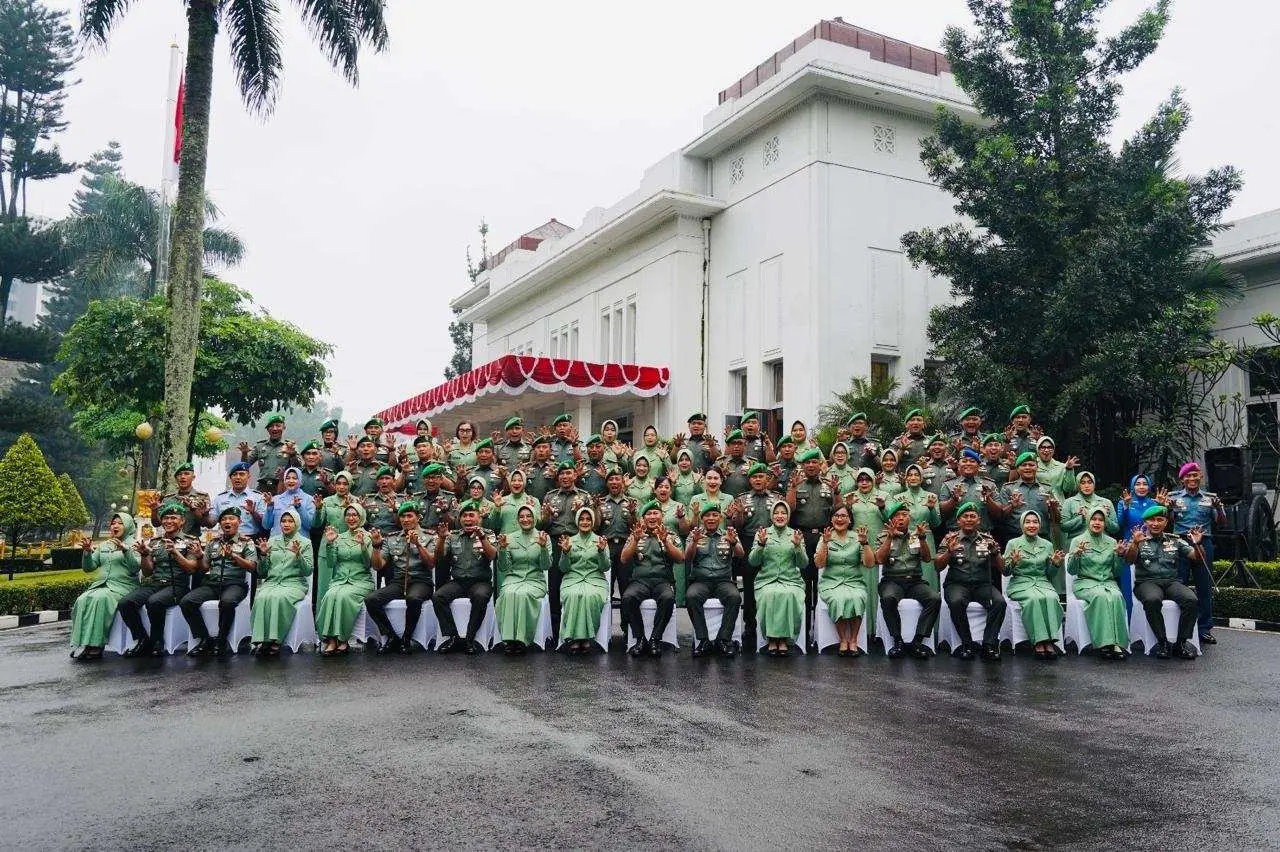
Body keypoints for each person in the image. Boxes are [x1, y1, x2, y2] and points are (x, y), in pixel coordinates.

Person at [117, 503, 201, 657]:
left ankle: (157, 641)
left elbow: (192, 568)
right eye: (166, 518)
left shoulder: (191, 541)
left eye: (173, 518)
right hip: (155, 583)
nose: (169, 521)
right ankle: (142, 639)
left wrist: (176, 553)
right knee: (125, 603)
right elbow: (148, 572)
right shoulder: (154, 542)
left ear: (182, 521)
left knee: (154, 602)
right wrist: (144, 555)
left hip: (177, 586)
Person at [1124, 504, 1204, 660]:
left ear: (1165, 522)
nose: (1155, 523)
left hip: (1171, 582)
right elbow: (1129, 560)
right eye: (1151, 520)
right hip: (1146, 582)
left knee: (1191, 600)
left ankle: (1181, 643)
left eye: (1159, 520)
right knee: (1153, 600)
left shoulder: (1174, 540)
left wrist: (1197, 543)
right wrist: (1134, 543)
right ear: (1145, 522)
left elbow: (1197, 557)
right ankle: (1162, 642)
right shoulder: (1138, 538)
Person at [181, 507, 256, 656]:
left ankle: (221, 640)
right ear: (220, 524)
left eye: (231, 519)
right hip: (212, 583)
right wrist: (200, 556)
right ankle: (205, 639)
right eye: (224, 520)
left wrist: (234, 556)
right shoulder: (213, 543)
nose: (227, 522)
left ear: (239, 522)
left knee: (227, 602)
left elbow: (252, 566)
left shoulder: (247, 542)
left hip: (234, 584)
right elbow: (205, 567)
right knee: (187, 601)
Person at [935, 503, 1005, 661]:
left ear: (979, 520)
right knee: (957, 601)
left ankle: (988, 645)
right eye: (965, 516)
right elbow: (938, 566)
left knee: (999, 602)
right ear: (958, 521)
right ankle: (966, 644)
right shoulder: (950, 539)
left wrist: (996, 554)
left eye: (972, 516)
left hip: (982, 584)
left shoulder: (987, 539)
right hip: (957, 584)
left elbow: (1003, 569)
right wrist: (949, 552)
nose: (969, 519)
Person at [69, 512, 141, 661]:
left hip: (123, 587)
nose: (115, 525)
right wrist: (87, 552)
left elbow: (135, 568)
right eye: (113, 523)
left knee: (99, 599)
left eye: (120, 523)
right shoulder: (104, 545)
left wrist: (125, 550)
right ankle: (83, 644)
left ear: (127, 526)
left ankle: (96, 646)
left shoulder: (134, 545)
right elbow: (89, 568)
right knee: (82, 599)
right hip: (102, 586)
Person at [365, 503, 436, 654]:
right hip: (398, 582)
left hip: (421, 581)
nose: (405, 519)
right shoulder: (391, 538)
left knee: (413, 598)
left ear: (418, 518)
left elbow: (431, 564)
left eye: (409, 516)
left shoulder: (429, 536)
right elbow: (378, 566)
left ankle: (406, 638)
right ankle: (391, 636)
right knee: (371, 599)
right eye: (402, 516)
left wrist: (418, 545)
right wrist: (376, 547)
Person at [1168, 461, 1226, 644]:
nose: (1192, 479)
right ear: (1182, 479)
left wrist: (1218, 507)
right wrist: (1167, 507)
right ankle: (1177, 626)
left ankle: (1204, 629)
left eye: (1195, 475)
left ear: (1201, 477)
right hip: (1180, 542)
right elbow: (1165, 522)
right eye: (1188, 476)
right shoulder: (1173, 497)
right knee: (1179, 585)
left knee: (1204, 587)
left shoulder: (1211, 498)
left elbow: (1222, 523)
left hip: (1203, 542)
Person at [875, 502, 939, 659]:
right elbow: (879, 560)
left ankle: (918, 641)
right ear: (891, 519)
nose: (901, 518)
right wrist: (889, 538)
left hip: (915, 581)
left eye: (904, 515)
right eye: (897, 516)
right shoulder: (883, 536)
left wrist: (923, 539)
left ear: (909, 518)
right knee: (888, 598)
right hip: (892, 580)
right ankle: (898, 641)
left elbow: (926, 559)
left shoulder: (918, 535)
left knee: (934, 598)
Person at [620, 500, 684, 657]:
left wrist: (666, 542)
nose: (652, 516)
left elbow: (680, 558)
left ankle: (655, 638)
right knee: (628, 597)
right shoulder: (636, 534)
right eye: (648, 514)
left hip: (663, 581)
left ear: (662, 516)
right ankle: (640, 639)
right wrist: (635, 540)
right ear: (643, 518)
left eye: (656, 513)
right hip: (640, 581)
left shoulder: (670, 535)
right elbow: (623, 559)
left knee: (668, 598)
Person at [433, 502, 498, 654]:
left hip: (480, 581)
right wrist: (441, 539)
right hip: (458, 581)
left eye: (471, 515)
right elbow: (438, 557)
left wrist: (482, 538)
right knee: (438, 597)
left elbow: (493, 555)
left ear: (479, 518)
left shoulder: (488, 534)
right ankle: (454, 637)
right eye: (464, 515)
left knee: (480, 596)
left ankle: (470, 638)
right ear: (460, 518)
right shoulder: (453, 536)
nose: (467, 519)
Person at [787, 448, 837, 648]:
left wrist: (837, 492)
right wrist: (792, 488)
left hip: (824, 538)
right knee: (806, 586)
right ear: (803, 466)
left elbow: (838, 509)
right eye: (806, 463)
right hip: (803, 536)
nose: (810, 466)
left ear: (819, 465)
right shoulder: (797, 486)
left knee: (822, 583)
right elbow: (789, 510)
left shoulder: (828, 485)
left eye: (814, 462)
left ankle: (820, 631)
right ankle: (806, 632)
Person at [1067, 508, 1130, 660]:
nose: (1097, 522)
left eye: (1100, 520)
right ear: (1088, 520)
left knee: (1116, 596)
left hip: (1108, 582)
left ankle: (1118, 643)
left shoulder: (1112, 542)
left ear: (1105, 523)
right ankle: (1104, 644)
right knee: (1100, 597)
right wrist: (1076, 555)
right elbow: (1071, 570)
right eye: (1093, 519)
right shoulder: (1077, 540)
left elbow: (1117, 572)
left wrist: (1119, 556)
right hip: (1085, 582)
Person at [249, 508, 313, 657]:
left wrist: (298, 555)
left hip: (295, 583)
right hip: (272, 583)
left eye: (290, 521)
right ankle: (262, 639)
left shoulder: (305, 543)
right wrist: (263, 555)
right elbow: (263, 572)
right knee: (261, 597)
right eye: (283, 521)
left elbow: (308, 571)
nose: (286, 524)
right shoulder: (272, 541)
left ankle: (276, 640)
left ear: (296, 523)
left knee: (279, 598)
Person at [1003, 510, 1065, 660]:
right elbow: (1005, 571)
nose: (1032, 525)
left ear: (1040, 525)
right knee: (1033, 599)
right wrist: (1013, 562)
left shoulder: (1047, 545)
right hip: (1020, 583)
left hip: (1042, 583)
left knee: (1052, 598)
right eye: (1028, 522)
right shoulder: (1013, 543)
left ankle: (1050, 640)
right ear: (1022, 525)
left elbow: (1049, 574)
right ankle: (1039, 641)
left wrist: (1055, 565)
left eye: (1035, 522)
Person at [316, 503, 375, 656]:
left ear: (361, 517)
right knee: (330, 595)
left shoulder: (368, 537)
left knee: (343, 596)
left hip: (360, 580)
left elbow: (369, 564)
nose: (351, 518)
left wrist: (363, 546)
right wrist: (329, 544)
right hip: (340, 580)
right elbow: (331, 563)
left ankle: (343, 639)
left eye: (355, 515)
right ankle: (330, 639)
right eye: (348, 515)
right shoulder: (339, 537)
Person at [684, 506, 743, 658]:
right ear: (702, 519)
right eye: (707, 515)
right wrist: (694, 543)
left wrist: (734, 542)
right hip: (701, 581)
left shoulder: (729, 534)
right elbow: (687, 557)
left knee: (734, 597)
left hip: (723, 580)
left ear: (720, 518)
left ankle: (723, 640)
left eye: (715, 515)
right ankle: (703, 640)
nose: (711, 518)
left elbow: (741, 554)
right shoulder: (694, 534)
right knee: (691, 596)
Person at [749, 500, 807, 656]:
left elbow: (803, 564)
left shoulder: (795, 534)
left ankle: (784, 639)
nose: (779, 516)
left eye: (783, 513)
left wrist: (797, 547)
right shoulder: (762, 534)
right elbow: (753, 561)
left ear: (788, 516)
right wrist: (760, 545)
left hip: (791, 580)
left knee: (789, 595)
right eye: (776, 513)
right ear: (771, 515)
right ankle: (772, 639)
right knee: (769, 594)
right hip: (766, 580)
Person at [816, 505, 872, 657]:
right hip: (831, 582)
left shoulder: (857, 537)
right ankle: (843, 639)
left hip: (854, 581)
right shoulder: (826, 536)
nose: (839, 519)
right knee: (838, 598)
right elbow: (819, 564)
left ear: (849, 520)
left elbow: (869, 564)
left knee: (857, 597)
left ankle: (853, 640)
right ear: (832, 519)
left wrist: (865, 543)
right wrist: (825, 544)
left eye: (843, 516)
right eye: (836, 516)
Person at [494, 506, 551, 654]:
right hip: (513, 579)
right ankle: (508, 639)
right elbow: (503, 568)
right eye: (522, 517)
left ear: (534, 518)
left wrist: (544, 548)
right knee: (508, 593)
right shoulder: (510, 537)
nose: (525, 519)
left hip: (535, 580)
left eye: (529, 516)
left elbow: (546, 566)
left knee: (523, 594)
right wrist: (502, 549)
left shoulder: (543, 536)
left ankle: (522, 639)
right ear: (517, 520)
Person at [558, 506, 611, 654]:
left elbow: (605, 567)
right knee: (573, 595)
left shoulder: (600, 541)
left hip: (595, 580)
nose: (585, 522)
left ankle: (586, 638)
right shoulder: (569, 540)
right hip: (572, 579)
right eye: (581, 519)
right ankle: (574, 638)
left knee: (590, 596)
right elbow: (563, 568)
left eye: (588, 519)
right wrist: (565, 552)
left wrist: (601, 551)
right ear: (577, 521)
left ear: (593, 522)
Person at [1114, 472, 1159, 616]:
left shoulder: (1153, 502)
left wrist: (1161, 506)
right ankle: (1128, 626)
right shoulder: (1124, 501)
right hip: (1130, 546)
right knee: (1128, 585)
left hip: (1150, 546)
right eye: (1138, 484)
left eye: (1145, 484)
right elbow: (1120, 524)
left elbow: (1159, 524)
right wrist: (1126, 507)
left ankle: (1149, 627)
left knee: (1150, 584)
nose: (1141, 487)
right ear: (1133, 486)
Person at [208, 462, 266, 538]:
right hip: (225, 539)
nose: (238, 477)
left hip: (250, 538)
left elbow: (264, 524)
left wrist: (253, 512)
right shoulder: (220, 498)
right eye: (234, 474)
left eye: (242, 474)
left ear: (248, 477)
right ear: (230, 478)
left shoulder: (258, 497)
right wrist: (204, 514)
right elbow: (211, 523)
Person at [151, 462, 210, 536]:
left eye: (186, 474)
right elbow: (156, 524)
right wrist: (154, 511)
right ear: (176, 479)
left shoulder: (202, 498)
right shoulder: (168, 499)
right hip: (170, 542)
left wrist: (194, 511)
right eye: (179, 474)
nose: (182, 477)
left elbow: (206, 524)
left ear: (193, 477)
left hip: (192, 542)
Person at [239, 413, 292, 491]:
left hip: (282, 486)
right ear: (267, 429)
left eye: (278, 425)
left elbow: (299, 467)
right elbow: (244, 466)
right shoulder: (259, 446)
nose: (274, 429)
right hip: (263, 487)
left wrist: (293, 454)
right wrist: (244, 453)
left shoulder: (289, 446)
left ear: (283, 428)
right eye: (271, 426)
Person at [262, 467, 318, 537]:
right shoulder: (275, 499)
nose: (291, 481)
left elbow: (309, 525)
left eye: (294, 478)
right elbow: (266, 526)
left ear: (300, 480)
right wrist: (269, 507)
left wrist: (299, 507)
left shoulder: (308, 499)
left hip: (299, 544)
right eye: (288, 478)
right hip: (277, 543)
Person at [1061, 471, 1119, 539]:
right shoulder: (1069, 502)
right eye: (1083, 483)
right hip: (1077, 544)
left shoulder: (1106, 502)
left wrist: (1105, 518)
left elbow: (1115, 529)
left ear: (1094, 484)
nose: (1086, 486)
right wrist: (1081, 519)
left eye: (1089, 482)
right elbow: (1063, 527)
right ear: (1078, 485)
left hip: (1102, 545)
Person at [488, 468, 541, 535]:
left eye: (520, 480)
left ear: (524, 482)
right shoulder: (501, 500)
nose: (516, 483)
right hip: (506, 542)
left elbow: (539, 526)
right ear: (509, 482)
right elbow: (493, 526)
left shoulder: (533, 501)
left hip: (528, 542)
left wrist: (533, 510)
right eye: (513, 480)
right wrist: (497, 508)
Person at [361, 466, 405, 537]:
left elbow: (403, 525)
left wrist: (395, 511)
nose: (384, 482)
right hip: (372, 537)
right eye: (381, 479)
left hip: (394, 539)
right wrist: (362, 511)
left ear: (394, 481)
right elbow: (364, 525)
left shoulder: (402, 500)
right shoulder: (368, 500)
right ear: (377, 483)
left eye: (387, 478)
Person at [716, 430, 753, 496]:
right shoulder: (720, 463)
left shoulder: (752, 463)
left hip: (746, 502)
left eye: (739, 443)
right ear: (728, 446)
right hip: (726, 502)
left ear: (745, 445)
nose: (736, 446)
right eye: (733, 443)